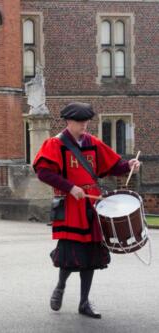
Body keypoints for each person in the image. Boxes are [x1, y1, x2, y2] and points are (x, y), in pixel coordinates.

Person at [33, 102, 140, 319]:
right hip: (71, 205)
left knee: (91, 256)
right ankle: (60, 286)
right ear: (69, 122)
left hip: (92, 205)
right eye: (81, 122)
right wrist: (70, 187)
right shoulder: (55, 144)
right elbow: (43, 172)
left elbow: (112, 165)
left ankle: (84, 302)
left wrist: (129, 165)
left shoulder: (92, 143)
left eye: (86, 122)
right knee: (70, 254)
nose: (85, 126)